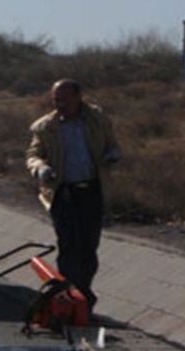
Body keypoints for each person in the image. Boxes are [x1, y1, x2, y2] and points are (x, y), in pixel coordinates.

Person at [26, 78, 120, 310]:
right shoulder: (45, 127)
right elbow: (33, 154)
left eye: (65, 99)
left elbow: (112, 144)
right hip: (62, 193)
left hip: (92, 190)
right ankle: (71, 297)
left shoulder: (97, 119)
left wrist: (112, 154)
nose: (60, 104)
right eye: (56, 100)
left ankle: (82, 293)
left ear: (78, 97)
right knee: (68, 245)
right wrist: (40, 168)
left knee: (88, 247)